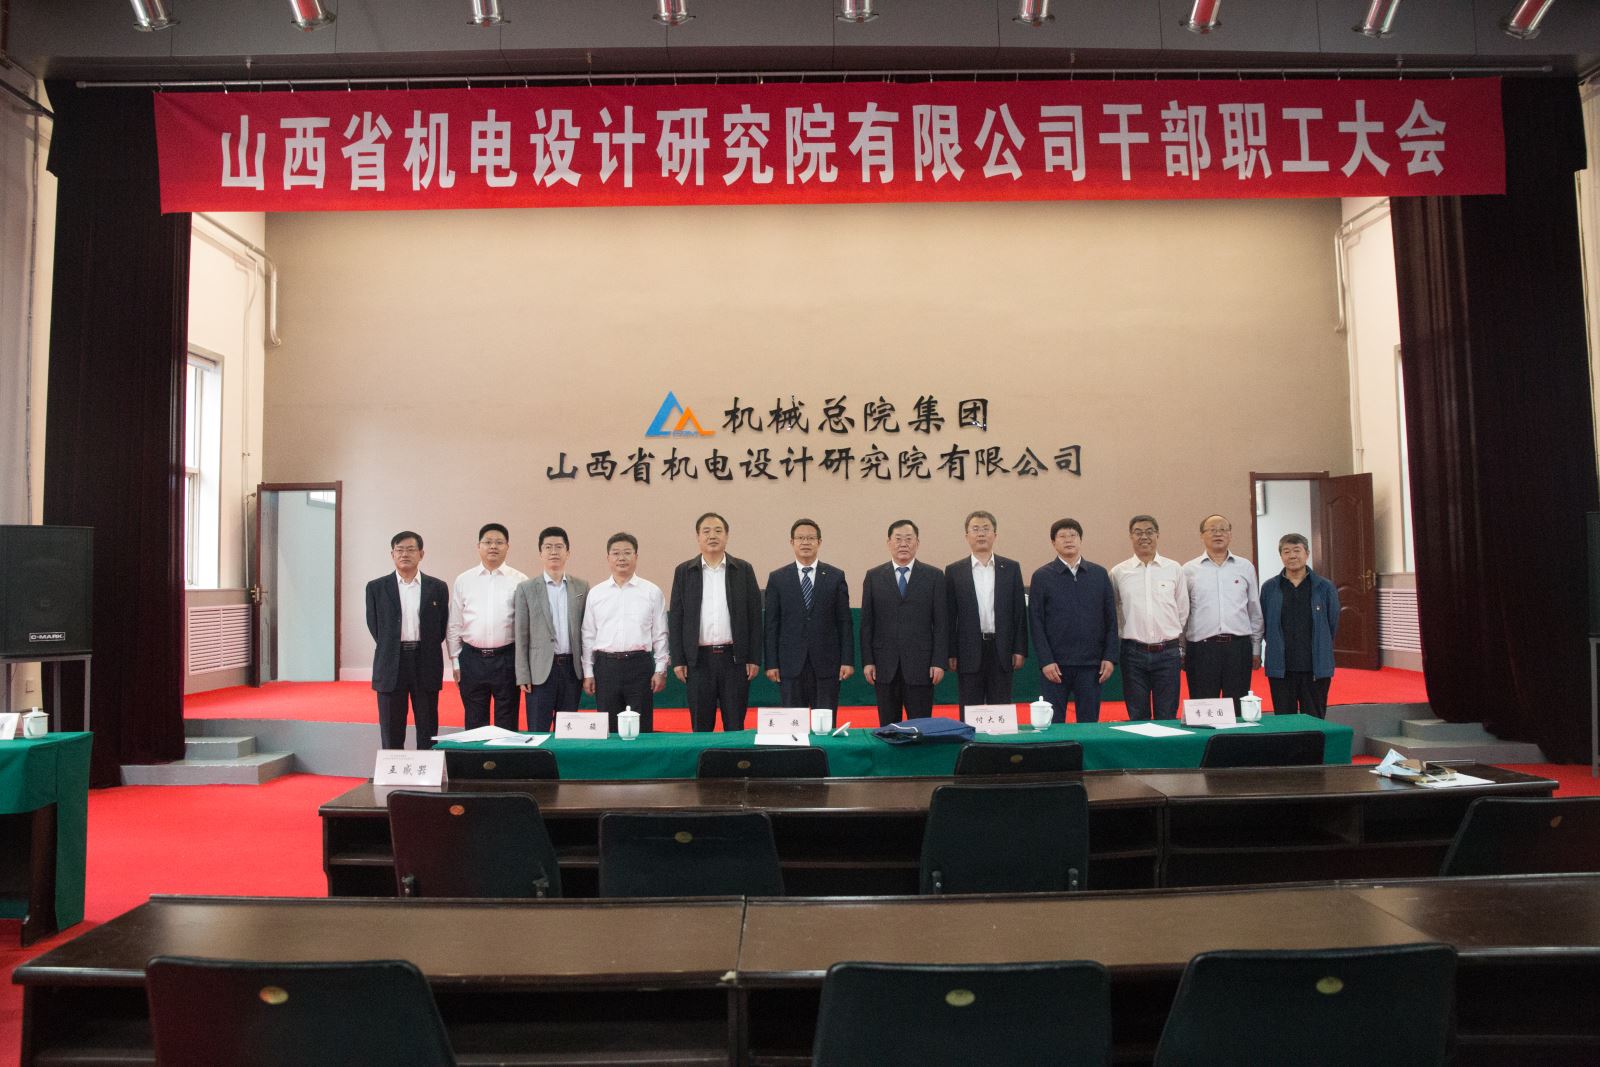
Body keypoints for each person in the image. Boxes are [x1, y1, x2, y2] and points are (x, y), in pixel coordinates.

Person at [668, 512, 764, 732]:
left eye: (718, 531)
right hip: (698, 662)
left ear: (726, 536)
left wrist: (753, 657)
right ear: (698, 537)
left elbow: (754, 617)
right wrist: (679, 659)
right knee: (700, 726)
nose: (712, 536)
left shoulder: (743, 569)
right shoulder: (684, 572)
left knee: (735, 725)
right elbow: (677, 618)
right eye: (706, 531)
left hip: (734, 661)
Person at [365, 531, 450, 750]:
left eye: (411, 549)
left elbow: (441, 627)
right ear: (392, 554)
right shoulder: (376, 588)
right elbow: (375, 627)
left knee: (427, 725)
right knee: (391, 726)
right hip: (391, 662)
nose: (405, 554)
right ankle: (394, 768)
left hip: (425, 660)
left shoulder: (437, 587)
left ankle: (427, 767)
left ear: (421, 554)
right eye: (400, 550)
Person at [860, 519, 949, 726]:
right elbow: (867, 624)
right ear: (888, 543)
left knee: (921, 726)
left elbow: (941, 624)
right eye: (898, 539)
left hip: (921, 665)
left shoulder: (934, 576)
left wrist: (938, 661)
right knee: (888, 727)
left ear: (917, 543)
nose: (903, 544)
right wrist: (868, 661)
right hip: (884, 665)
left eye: (909, 539)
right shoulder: (874, 577)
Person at [1029, 518, 1117, 723]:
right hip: (1055, 666)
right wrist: (1046, 661)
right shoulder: (1042, 576)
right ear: (1053, 542)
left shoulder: (1099, 574)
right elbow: (1036, 622)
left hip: (1091, 665)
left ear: (1081, 540)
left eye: (1073, 535)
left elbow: (1111, 619)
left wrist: (1110, 657)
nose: (1068, 540)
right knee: (1054, 725)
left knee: (1089, 724)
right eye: (1062, 536)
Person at [581, 532, 669, 733]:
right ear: (608, 558)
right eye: (616, 553)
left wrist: (660, 669)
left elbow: (660, 634)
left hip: (639, 666)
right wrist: (588, 672)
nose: (621, 558)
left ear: (636, 556)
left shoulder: (651, 592)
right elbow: (588, 636)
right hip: (606, 667)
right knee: (609, 729)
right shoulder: (596, 593)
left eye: (627, 553)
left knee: (641, 728)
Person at [764, 518, 854, 712]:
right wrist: (771, 663)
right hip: (790, 665)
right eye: (800, 538)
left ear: (819, 542)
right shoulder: (778, 578)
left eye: (811, 538)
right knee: (794, 723)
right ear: (792, 542)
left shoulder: (835, 576)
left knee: (826, 722)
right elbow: (771, 625)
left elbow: (844, 622)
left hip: (827, 664)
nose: (805, 542)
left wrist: (847, 660)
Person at [447, 523, 527, 731]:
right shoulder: (464, 580)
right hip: (471, 659)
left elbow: (525, 627)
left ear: (507, 547)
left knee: (507, 722)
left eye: (499, 542)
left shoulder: (520, 581)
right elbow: (454, 624)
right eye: (488, 542)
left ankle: (505, 753)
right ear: (478, 546)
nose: (493, 546)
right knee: (474, 722)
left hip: (506, 659)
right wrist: (455, 661)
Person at [1108, 514, 1189, 720]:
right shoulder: (1118, 572)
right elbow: (1113, 610)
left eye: (1149, 532)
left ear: (1157, 535)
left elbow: (1182, 609)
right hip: (1132, 653)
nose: (1144, 537)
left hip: (1168, 652)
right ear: (1131, 537)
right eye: (1138, 533)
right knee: (1137, 715)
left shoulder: (1174, 569)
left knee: (1167, 715)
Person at [944, 510, 1027, 707]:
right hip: (968, 650)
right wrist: (951, 652)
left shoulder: (1011, 568)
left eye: (986, 529)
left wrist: (1019, 649)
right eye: (975, 529)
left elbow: (1019, 613)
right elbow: (949, 616)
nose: (981, 534)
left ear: (995, 535)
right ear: (966, 536)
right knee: (970, 706)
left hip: (1002, 648)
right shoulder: (954, 571)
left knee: (1000, 705)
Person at [1182, 514, 1264, 713]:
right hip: (1201, 650)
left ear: (1230, 535)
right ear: (1202, 535)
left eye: (1223, 529)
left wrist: (1256, 648)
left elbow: (1254, 610)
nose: (1218, 534)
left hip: (1238, 648)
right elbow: (1183, 613)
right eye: (1212, 530)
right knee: (1203, 709)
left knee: (1237, 710)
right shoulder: (1188, 570)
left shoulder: (1245, 567)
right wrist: (1181, 650)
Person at [513, 526, 588, 732]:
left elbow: (586, 632)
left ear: (568, 552)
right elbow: (521, 634)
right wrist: (522, 674)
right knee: (538, 730)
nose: (553, 552)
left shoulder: (581, 587)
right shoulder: (526, 588)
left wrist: (587, 670)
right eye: (548, 547)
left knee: (568, 731)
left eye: (559, 547)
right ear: (541, 553)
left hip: (571, 669)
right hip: (540, 671)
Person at [1260, 532, 1341, 718]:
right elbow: (1265, 624)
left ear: (1307, 554)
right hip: (1281, 667)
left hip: (1314, 666)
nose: (1292, 556)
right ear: (1281, 556)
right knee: (1284, 720)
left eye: (1297, 550)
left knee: (1314, 719)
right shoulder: (1270, 587)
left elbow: (1332, 624)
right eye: (1286, 551)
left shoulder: (1324, 587)